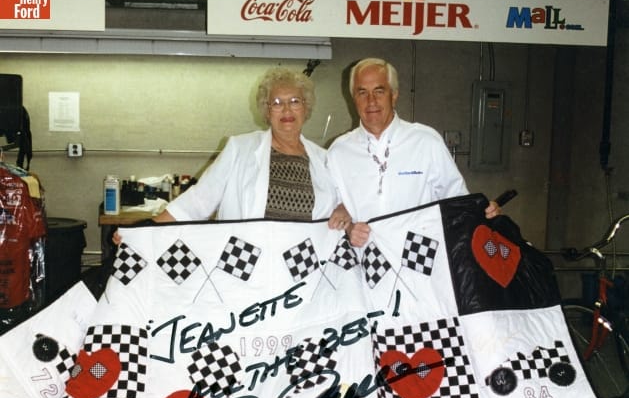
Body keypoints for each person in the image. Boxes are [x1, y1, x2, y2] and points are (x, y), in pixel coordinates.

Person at [112, 68, 350, 244]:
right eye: (277, 103)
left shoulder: (324, 159)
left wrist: (343, 208)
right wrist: (145, 229)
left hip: (304, 271)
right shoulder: (240, 148)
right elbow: (198, 201)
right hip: (245, 266)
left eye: (294, 102)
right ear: (266, 111)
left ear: (306, 107)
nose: (286, 110)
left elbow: (345, 202)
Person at [327, 58, 499, 247]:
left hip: (422, 263)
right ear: (353, 99)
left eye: (379, 91)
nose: (371, 101)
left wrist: (483, 213)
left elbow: (457, 201)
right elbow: (330, 211)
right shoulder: (339, 152)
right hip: (366, 265)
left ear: (394, 95)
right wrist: (349, 227)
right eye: (362, 92)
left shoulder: (426, 141)